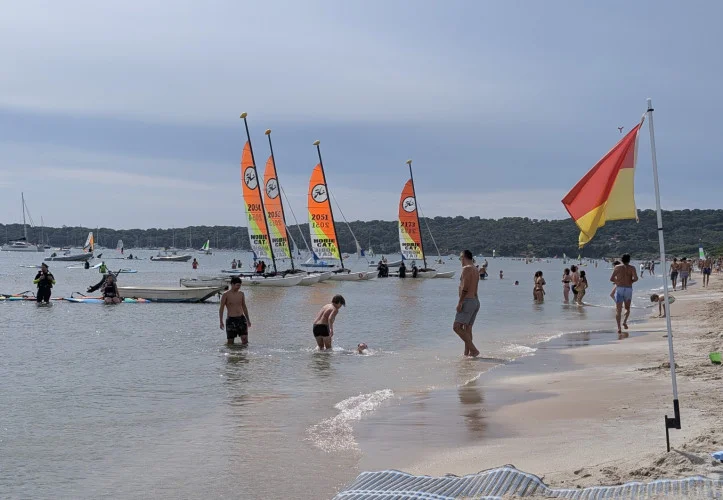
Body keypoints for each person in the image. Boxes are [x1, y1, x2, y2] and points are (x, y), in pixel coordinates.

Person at [454, 250, 480, 357]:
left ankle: (474, 350)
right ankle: (467, 353)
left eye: (460, 258)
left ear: (463, 257)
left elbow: (465, 288)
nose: (460, 261)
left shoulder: (466, 268)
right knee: (467, 328)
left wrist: (460, 302)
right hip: (475, 300)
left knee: (456, 327)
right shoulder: (475, 269)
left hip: (467, 300)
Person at [610, 254, 638, 334]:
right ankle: (625, 321)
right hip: (628, 289)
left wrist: (618, 282)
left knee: (618, 310)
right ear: (629, 260)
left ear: (621, 260)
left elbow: (611, 279)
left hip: (619, 288)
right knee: (627, 308)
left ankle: (619, 328)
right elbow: (636, 278)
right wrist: (631, 281)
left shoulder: (617, 267)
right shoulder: (632, 268)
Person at [219, 277, 251, 346]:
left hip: (241, 319)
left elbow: (244, 307)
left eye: (240, 285)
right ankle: (231, 352)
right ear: (232, 284)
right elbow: (221, 308)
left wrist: (248, 320)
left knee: (245, 340)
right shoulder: (226, 294)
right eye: (237, 285)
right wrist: (221, 321)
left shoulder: (241, 294)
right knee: (230, 342)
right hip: (231, 320)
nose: (238, 287)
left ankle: (244, 352)